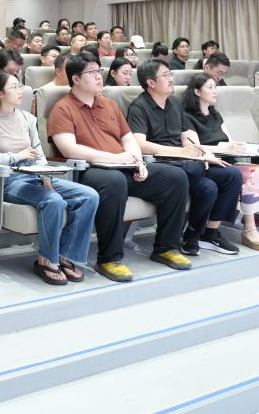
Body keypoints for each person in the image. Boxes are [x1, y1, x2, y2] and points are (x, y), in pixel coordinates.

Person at [48, 53, 191, 277]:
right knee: (114, 182)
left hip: (123, 166)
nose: (99, 76)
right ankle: (109, 258)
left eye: (99, 71)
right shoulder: (62, 108)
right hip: (91, 171)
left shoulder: (109, 104)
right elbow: (69, 150)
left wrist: (138, 161)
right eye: (92, 72)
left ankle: (166, 248)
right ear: (75, 79)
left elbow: (128, 139)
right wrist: (115, 159)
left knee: (176, 177)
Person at [0, 72, 99, 284]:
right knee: (53, 200)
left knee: (89, 195)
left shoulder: (28, 119)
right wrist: (17, 156)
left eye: (20, 86)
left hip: (35, 175)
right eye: (13, 87)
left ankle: (65, 255)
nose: (20, 91)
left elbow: (39, 155)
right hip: (10, 179)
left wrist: (46, 178)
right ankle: (47, 259)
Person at [128, 60, 243, 256]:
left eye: (170, 74)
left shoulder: (174, 102)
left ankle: (206, 233)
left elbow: (187, 136)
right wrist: (181, 153)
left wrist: (203, 154)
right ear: (151, 83)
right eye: (165, 75)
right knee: (206, 185)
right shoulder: (139, 107)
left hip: (186, 164)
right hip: (164, 165)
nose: (171, 79)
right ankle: (190, 236)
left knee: (232, 175)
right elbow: (140, 144)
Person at [182, 73, 259, 251]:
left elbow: (229, 141)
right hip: (207, 164)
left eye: (215, 87)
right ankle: (249, 229)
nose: (215, 91)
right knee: (238, 175)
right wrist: (223, 148)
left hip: (227, 161)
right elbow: (194, 147)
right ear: (197, 91)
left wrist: (239, 146)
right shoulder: (187, 116)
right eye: (210, 87)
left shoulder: (215, 114)